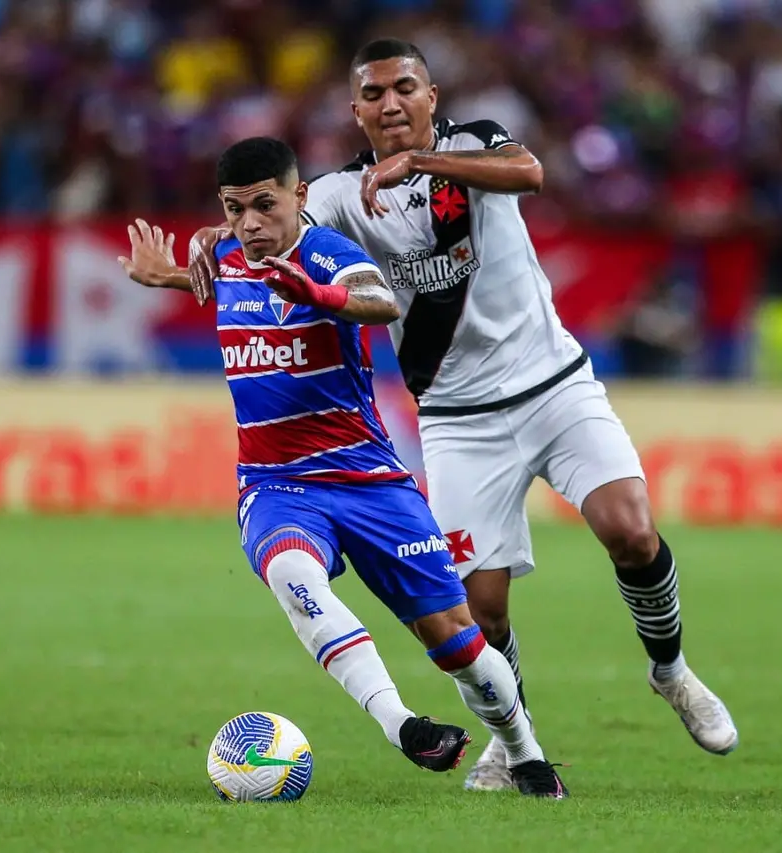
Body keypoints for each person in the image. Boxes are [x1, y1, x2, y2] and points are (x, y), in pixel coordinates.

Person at [191, 40, 738, 792]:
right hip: (455, 416)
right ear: (356, 111)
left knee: (630, 528)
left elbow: (531, 173)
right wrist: (214, 236)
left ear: (431, 95)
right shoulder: (342, 194)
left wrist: (421, 165)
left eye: (404, 88)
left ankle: (672, 671)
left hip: (553, 383)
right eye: (374, 94)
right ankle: (514, 746)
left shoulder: (475, 146)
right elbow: (270, 212)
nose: (390, 104)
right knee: (478, 608)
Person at [118, 136, 567, 798]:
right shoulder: (231, 261)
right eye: (234, 209)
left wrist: (319, 294)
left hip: (367, 480)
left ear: (299, 197)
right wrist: (172, 276)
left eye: (264, 205)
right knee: (294, 575)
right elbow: (239, 277)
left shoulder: (329, 254)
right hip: (276, 486)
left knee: (456, 642)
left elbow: (378, 300)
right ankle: (403, 725)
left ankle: (525, 751)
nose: (248, 223)